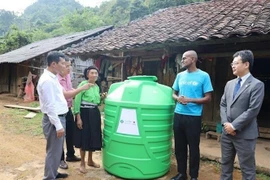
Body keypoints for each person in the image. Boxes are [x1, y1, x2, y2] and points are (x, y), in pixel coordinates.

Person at [37, 51, 92, 180]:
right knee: (53, 150)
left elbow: (64, 94)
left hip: (60, 117)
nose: (65, 66)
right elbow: (50, 106)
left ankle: (54, 173)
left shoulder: (53, 77)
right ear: (54, 64)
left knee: (57, 150)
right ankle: (49, 177)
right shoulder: (47, 81)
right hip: (54, 120)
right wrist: (58, 126)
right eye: (62, 63)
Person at [220, 50, 264, 180]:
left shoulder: (257, 85)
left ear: (246, 64)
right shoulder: (229, 84)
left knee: (247, 169)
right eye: (232, 63)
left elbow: (253, 109)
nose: (232, 65)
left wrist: (234, 126)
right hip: (227, 133)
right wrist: (226, 124)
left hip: (245, 134)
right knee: (225, 165)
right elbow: (223, 105)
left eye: (236, 63)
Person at [171, 50, 213, 180]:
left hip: (193, 117)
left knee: (193, 148)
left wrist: (190, 100)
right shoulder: (180, 76)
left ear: (193, 59)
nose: (182, 60)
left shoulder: (204, 76)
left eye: (184, 58)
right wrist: (178, 99)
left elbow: (208, 98)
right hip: (178, 115)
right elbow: (173, 93)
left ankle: (194, 176)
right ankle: (181, 174)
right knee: (179, 147)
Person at [73, 65, 106, 174]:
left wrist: (101, 98)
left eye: (96, 73)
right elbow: (77, 100)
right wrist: (78, 117)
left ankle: (90, 161)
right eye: (92, 73)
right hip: (84, 113)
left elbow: (97, 103)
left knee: (93, 136)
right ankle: (82, 163)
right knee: (84, 137)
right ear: (87, 75)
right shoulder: (83, 85)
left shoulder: (96, 87)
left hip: (94, 113)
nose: (94, 75)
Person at [57, 56, 81, 170]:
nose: (69, 68)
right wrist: (80, 89)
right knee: (60, 136)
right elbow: (66, 94)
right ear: (58, 66)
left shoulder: (67, 76)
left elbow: (71, 90)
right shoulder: (56, 79)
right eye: (66, 66)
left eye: (69, 65)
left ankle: (70, 155)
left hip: (68, 109)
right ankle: (60, 159)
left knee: (71, 133)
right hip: (59, 111)